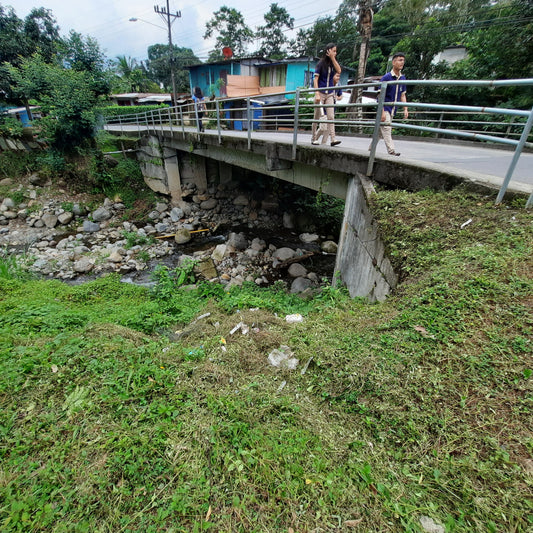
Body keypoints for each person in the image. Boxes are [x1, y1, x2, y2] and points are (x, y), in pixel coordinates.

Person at [375, 52, 408, 156]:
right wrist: (382, 112)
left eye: (403, 60)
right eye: (399, 60)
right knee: (387, 128)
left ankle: (370, 150)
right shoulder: (386, 77)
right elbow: (380, 96)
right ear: (394, 62)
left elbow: (403, 95)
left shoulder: (402, 78)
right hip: (385, 108)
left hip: (394, 109)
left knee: (380, 133)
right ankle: (391, 151)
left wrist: (405, 109)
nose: (402, 62)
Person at [311, 43, 342, 147]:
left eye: (335, 51)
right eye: (333, 51)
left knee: (331, 116)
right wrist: (317, 93)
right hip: (320, 92)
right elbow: (315, 79)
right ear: (328, 51)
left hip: (330, 93)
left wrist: (333, 58)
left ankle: (333, 138)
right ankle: (313, 138)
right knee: (317, 117)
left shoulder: (333, 64)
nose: (335, 53)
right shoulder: (320, 64)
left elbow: (339, 70)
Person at [314, 72, 343, 145]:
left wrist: (336, 97)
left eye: (339, 76)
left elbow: (341, 95)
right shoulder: (326, 84)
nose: (338, 78)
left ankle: (324, 142)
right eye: (336, 76)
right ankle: (315, 138)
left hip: (332, 106)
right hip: (324, 107)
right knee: (323, 125)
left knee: (329, 125)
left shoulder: (338, 85)